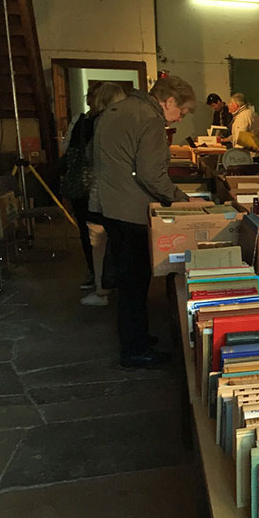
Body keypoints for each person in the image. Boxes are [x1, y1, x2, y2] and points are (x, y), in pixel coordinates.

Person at [94, 75, 195, 369]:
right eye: (182, 110)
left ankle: (136, 337)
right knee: (136, 283)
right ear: (169, 101)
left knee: (129, 282)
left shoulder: (118, 109)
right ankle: (135, 350)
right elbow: (151, 173)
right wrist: (181, 200)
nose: (181, 116)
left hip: (111, 206)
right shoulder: (150, 119)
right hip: (131, 211)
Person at [61, 81, 126, 302]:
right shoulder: (109, 123)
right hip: (104, 189)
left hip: (85, 186)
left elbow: (69, 150)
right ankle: (105, 282)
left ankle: (98, 280)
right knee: (106, 238)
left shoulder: (84, 121)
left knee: (92, 236)